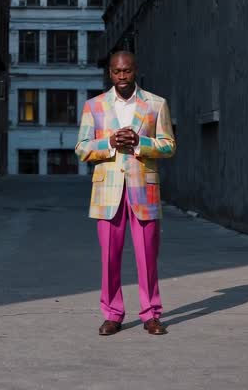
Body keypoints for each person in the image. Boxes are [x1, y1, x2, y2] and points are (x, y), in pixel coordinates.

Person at [74, 50, 176, 336]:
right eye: (117, 72)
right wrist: (108, 143)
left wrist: (141, 142)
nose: (122, 76)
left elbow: (169, 145)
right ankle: (112, 314)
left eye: (127, 71)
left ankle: (152, 314)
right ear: (110, 73)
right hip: (108, 193)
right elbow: (81, 148)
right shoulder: (93, 106)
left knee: (147, 256)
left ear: (135, 71)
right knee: (109, 257)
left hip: (144, 190)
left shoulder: (156, 104)